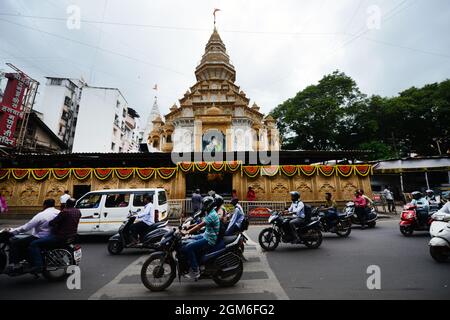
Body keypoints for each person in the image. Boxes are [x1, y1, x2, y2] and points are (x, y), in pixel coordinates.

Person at [28, 198, 81, 273]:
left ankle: (38, 265)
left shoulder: (65, 212)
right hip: (72, 235)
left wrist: (51, 223)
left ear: (66, 204)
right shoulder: (78, 211)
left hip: (60, 236)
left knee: (34, 244)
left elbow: (53, 222)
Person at [6, 199, 60, 271]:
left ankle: (15, 265)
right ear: (54, 205)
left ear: (44, 205)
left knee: (15, 243)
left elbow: (26, 227)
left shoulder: (41, 215)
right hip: (52, 236)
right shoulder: (59, 212)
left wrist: (13, 231)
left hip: (40, 237)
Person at [182, 196, 220, 279]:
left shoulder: (212, 215)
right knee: (188, 239)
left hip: (209, 239)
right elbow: (199, 223)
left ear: (208, 205)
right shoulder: (210, 212)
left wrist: (187, 232)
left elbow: (199, 225)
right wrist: (187, 228)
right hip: (205, 235)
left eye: (204, 205)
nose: (203, 206)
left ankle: (195, 271)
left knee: (189, 247)